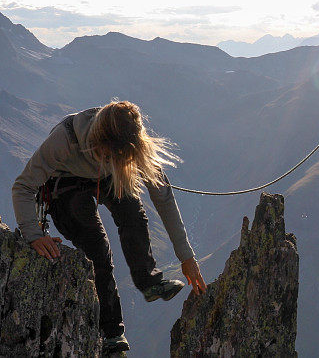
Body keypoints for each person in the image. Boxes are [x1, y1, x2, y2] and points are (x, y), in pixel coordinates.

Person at [12, 100, 207, 354]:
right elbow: (24, 186)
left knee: (133, 215)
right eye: (109, 155)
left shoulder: (132, 145)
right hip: (65, 181)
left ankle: (149, 281)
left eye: (120, 157)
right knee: (97, 249)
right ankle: (112, 333)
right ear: (100, 144)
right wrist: (33, 235)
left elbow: (163, 198)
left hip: (106, 177)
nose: (114, 158)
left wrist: (186, 257)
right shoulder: (65, 140)